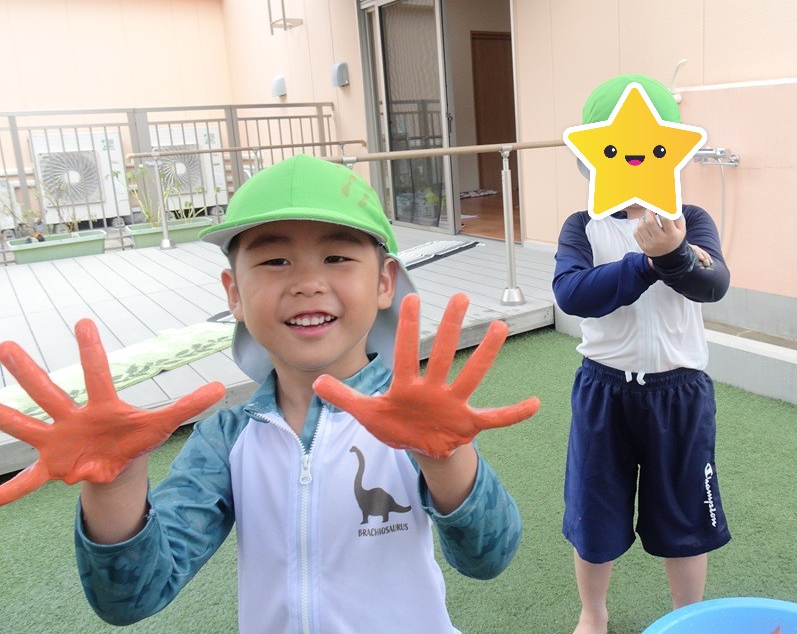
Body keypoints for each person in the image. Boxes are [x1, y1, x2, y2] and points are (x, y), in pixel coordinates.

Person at [0, 154, 539, 633]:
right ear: (234, 292)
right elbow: (133, 597)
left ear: (384, 282)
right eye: (275, 260)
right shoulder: (226, 438)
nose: (307, 282)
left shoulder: (415, 420)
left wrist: (447, 458)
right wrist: (115, 487)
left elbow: (488, 558)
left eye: (337, 257)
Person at [553, 75, 731, 634]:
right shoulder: (583, 226)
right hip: (604, 388)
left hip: (679, 391)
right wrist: (647, 263)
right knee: (594, 513)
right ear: (592, 158)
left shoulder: (689, 220)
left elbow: (713, 284)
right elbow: (572, 293)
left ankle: (687, 617)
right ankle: (593, 612)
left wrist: (675, 253)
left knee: (685, 515)